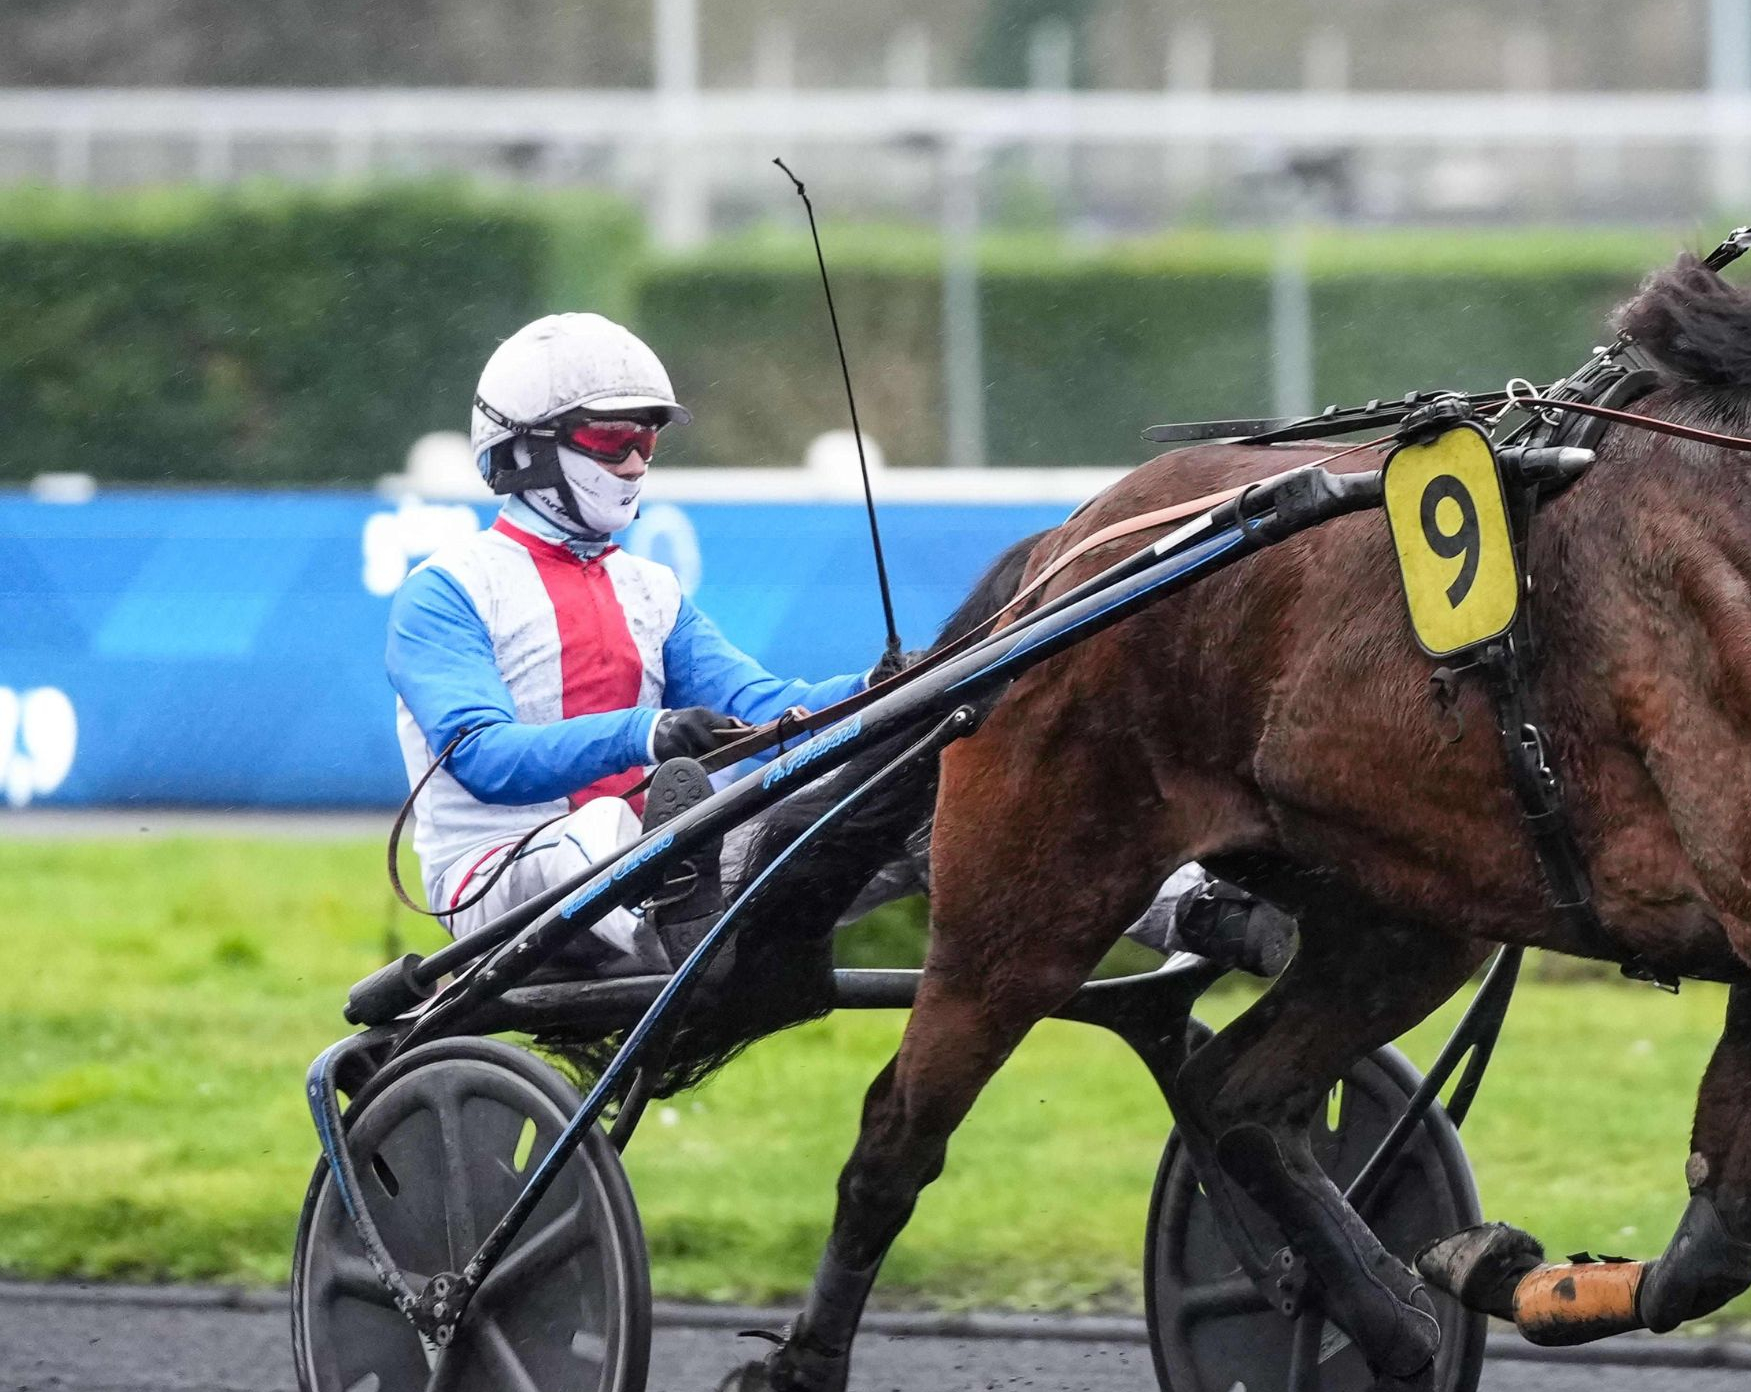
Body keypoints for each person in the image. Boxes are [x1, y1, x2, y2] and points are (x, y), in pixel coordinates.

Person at [389, 312, 1293, 977]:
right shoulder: (447, 593)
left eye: (648, 441)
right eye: (611, 438)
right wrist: (648, 736)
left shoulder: (647, 589)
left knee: (928, 800)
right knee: (599, 829)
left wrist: (896, 690)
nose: (633, 462)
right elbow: (482, 761)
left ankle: (1199, 914)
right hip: (506, 887)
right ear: (525, 452)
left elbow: (765, 711)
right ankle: (684, 925)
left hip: (659, 867)